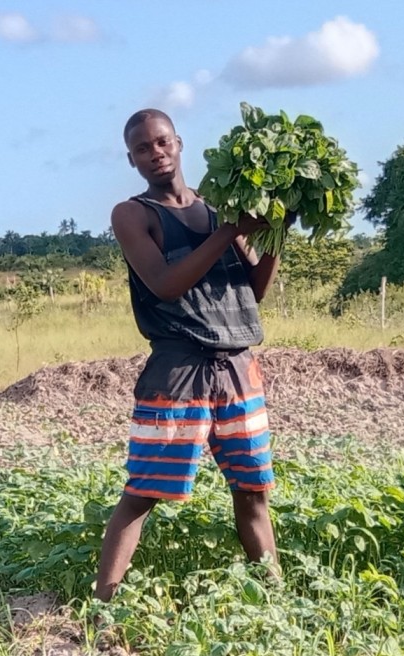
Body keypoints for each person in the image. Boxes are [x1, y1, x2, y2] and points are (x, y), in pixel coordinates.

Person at [94, 108, 282, 602]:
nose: (154, 154)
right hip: (178, 370)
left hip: (238, 366)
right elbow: (165, 284)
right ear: (131, 159)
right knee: (144, 492)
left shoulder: (219, 206)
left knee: (252, 489)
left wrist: (274, 232)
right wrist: (226, 230)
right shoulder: (133, 214)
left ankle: (275, 599)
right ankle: (104, 603)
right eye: (142, 148)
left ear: (179, 143)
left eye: (161, 143)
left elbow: (254, 289)